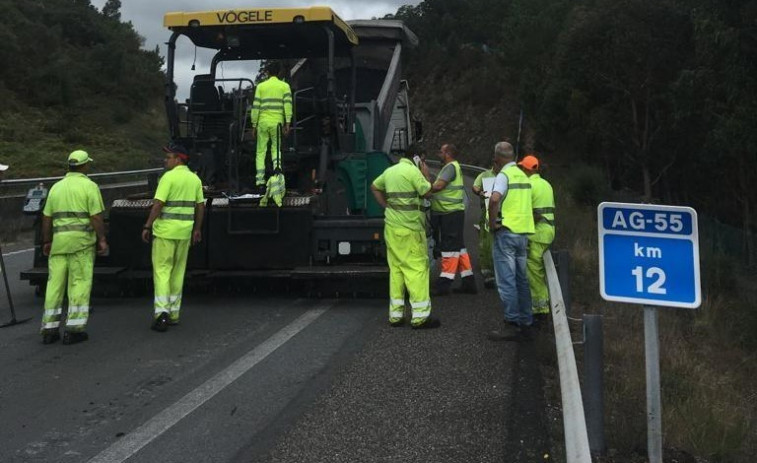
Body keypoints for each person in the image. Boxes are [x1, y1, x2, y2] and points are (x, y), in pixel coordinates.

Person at [40, 150, 108, 345]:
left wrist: (47, 241)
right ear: (85, 166)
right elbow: (95, 217)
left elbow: (47, 218)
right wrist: (101, 238)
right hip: (82, 245)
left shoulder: (56, 188)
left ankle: (49, 329)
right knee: (79, 284)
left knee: (54, 286)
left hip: (59, 244)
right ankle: (74, 329)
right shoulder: (89, 186)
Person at [371, 146, 439, 329]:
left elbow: (375, 186)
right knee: (416, 270)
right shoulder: (413, 173)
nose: (423, 164)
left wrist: (386, 206)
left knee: (397, 270)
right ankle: (420, 317)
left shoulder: (390, 171)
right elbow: (428, 192)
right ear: (417, 158)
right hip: (410, 230)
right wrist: (426, 175)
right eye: (423, 161)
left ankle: (396, 315)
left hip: (392, 228)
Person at [142, 144, 205, 332]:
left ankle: (161, 313)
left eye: (168, 157)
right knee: (178, 273)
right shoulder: (194, 179)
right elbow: (200, 206)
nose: (165, 160)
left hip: (165, 233)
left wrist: (147, 225)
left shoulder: (167, 178)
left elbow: (158, 203)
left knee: (162, 271)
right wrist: (197, 229)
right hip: (184, 233)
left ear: (178, 159)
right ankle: (174, 314)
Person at [487, 142, 535, 340]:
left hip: (506, 233)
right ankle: (526, 321)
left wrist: (492, 223)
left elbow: (495, 199)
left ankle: (511, 323)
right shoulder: (523, 175)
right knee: (521, 280)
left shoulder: (503, 176)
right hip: (523, 234)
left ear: (497, 159)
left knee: (507, 281)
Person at [427, 143, 476, 296]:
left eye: (441, 151)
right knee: (459, 247)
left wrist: (424, 187)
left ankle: (444, 283)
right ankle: (468, 281)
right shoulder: (451, 166)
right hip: (452, 213)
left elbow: (439, 186)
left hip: (450, 213)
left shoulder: (450, 167)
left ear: (447, 153)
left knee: (449, 248)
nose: (438, 154)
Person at [519, 154, 555, 321]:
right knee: (537, 272)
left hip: (536, 234)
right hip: (548, 231)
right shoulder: (546, 184)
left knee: (534, 274)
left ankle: (540, 311)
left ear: (526, 169)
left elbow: (535, 214)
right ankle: (541, 308)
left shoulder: (529, 185)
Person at [251, 62, 292, 189]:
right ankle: (277, 173)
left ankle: (260, 182)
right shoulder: (284, 86)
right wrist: (288, 123)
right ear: (279, 72)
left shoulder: (261, 87)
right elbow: (288, 105)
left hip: (263, 123)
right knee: (276, 148)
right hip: (277, 123)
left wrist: (254, 125)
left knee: (261, 152)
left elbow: (256, 107)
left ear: (268, 73)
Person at [471, 160, 501, 289]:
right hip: (487, 211)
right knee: (486, 241)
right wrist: (479, 192)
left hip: (504, 212)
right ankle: (487, 270)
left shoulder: (507, 176)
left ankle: (499, 269)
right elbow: (475, 186)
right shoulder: (485, 175)